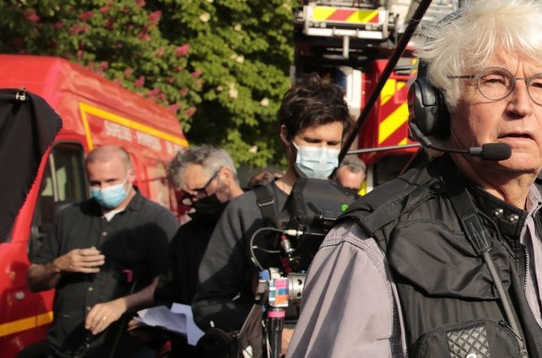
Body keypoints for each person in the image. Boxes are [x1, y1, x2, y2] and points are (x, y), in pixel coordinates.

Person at [290, 0, 542, 358]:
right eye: (493, 80)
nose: (521, 105)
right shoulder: (368, 247)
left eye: (540, 84)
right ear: (440, 107)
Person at [192, 77, 354, 344]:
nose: (323, 152)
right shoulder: (245, 209)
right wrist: (271, 332)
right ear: (285, 135)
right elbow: (208, 304)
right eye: (312, 141)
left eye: (332, 144)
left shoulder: (357, 207)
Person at [26, 145, 178, 358]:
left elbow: (168, 283)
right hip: (64, 347)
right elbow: (33, 280)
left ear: (130, 175)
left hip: (125, 349)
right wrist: (59, 265)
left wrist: (122, 304)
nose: (103, 189)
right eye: (95, 183)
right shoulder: (69, 217)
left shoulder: (158, 221)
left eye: (111, 181)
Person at [151, 145, 242, 356]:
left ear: (225, 176)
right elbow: (167, 294)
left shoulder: (261, 222)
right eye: (188, 196)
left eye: (200, 192)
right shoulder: (187, 236)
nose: (194, 202)